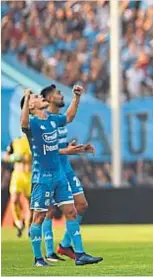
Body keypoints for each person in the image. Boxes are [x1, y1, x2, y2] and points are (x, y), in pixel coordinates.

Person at [20, 87, 103, 267]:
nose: (40, 98)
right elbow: (24, 123)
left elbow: (68, 117)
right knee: (40, 217)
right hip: (43, 177)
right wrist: (26, 98)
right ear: (31, 105)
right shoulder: (32, 124)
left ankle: (79, 254)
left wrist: (77, 97)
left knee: (72, 211)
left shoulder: (52, 120)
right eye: (36, 97)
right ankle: (38, 258)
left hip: (59, 174)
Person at [38, 84, 95, 262]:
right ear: (48, 100)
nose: (61, 95)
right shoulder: (43, 121)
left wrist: (79, 148)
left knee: (82, 205)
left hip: (66, 168)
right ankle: (49, 253)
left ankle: (64, 245)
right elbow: (44, 149)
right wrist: (66, 151)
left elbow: (69, 116)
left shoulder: (58, 119)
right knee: (48, 211)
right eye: (58, 94)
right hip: (53, 171)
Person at [4, 135, 32, 237]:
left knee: (29, 203)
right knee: (14, 199)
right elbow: (6, 157)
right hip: (18, 175)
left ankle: (29, 227)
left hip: (29, 175)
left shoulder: (35, 141)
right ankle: (19, 223)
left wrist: (29, 158)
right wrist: (13, 158)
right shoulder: (15, 142)